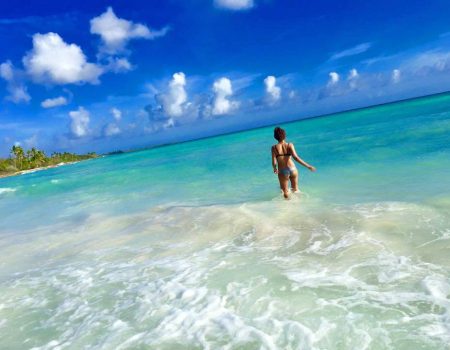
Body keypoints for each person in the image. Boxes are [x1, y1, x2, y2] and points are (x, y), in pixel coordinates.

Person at [271, 126, 316, 199]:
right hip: (293, 169)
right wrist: (308, 166)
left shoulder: (274, 148)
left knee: (285, 192)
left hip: (283, 171)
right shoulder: (289, 145)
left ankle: (288, 207)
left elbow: (274, 161)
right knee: (295, 190)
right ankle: (299, 204)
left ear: (275, 137)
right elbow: (296, 157)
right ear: (284, 135)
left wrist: (275, 168)